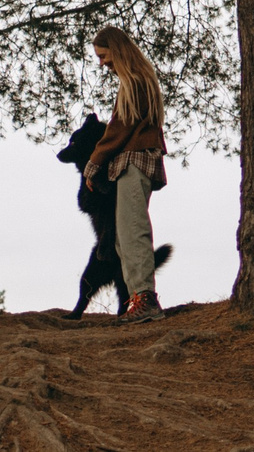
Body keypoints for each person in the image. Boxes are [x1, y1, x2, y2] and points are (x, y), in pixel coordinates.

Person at [82, 24, 168, 318]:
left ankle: (145, 299)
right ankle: (137, 299)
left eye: (103, 55)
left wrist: (94, 162)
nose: (101, 63)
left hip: (134, 163)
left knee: (132, 231)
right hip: (131, 163)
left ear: (117, 50)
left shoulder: (136, 81)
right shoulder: (137, 80)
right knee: (124, 236)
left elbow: (120, 127)